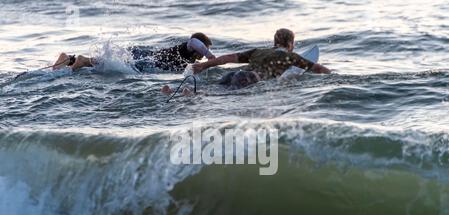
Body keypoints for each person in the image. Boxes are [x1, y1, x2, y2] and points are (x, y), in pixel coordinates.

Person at [192, 28, 330, 84]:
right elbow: (319, 69)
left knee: (214, 91)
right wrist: (335, 77)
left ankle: (180, 92)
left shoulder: (258, 51)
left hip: (234, 74)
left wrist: (202, 65)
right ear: (289, 44)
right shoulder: (291, 57)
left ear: (275, 42)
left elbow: (226, 59)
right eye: (293, 44)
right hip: (249, 80)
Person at [52, 32, 216, 72]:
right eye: (205, 49)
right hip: (145, 59)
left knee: (109, 65)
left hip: (145, 57)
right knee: (115, 66)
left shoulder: (189, 60)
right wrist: (211, 58)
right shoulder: (186, 48)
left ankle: (67, 60)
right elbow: (194, 42)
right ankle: (82, 60)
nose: (204, 54)